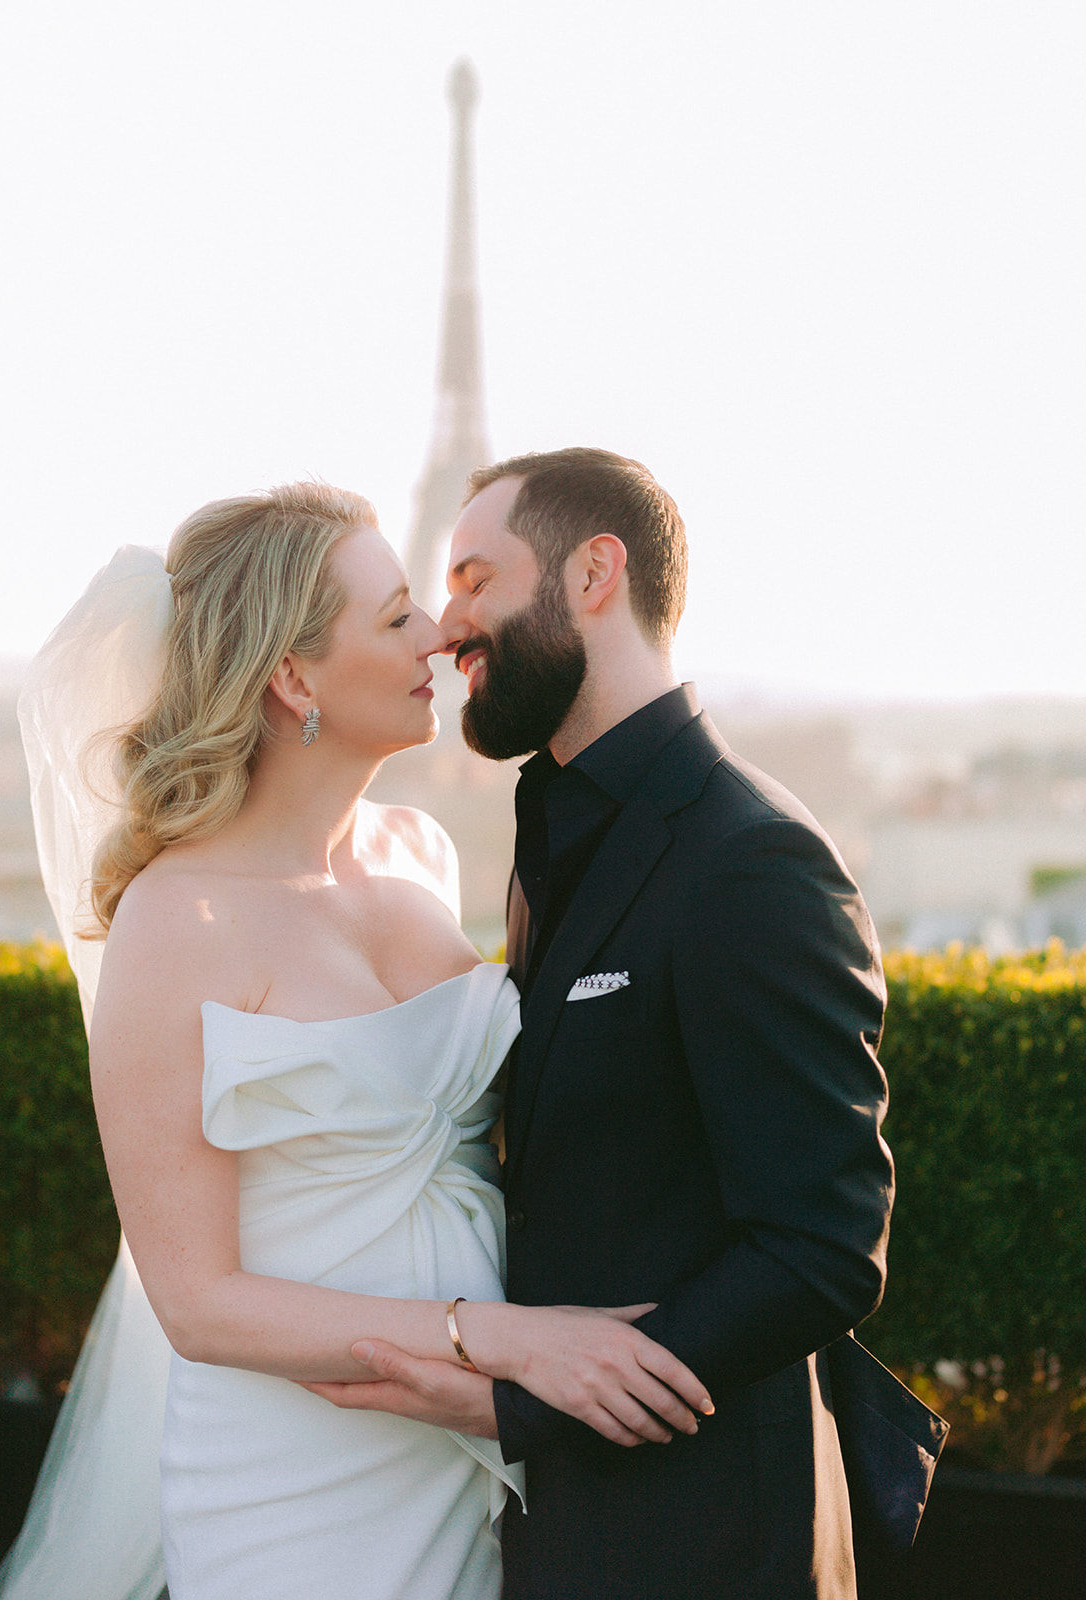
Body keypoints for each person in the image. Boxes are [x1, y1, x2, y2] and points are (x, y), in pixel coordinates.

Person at [0, 481, 712, 1600]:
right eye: (392, 619)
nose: (439, 633)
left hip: (480, 1445)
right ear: (293, 677)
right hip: (298, 1476)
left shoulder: (423, 854)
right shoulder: (175, 922)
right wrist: (507, 1340)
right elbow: (197, 1300)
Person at [307, 449, 896, 1600]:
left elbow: (823, 1247)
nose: (447, 621)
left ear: (594, 572)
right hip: (568, 1522)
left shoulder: (752, 858)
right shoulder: (554, 824)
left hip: (714, 1531)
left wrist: (514, 1396)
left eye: (476, 576)